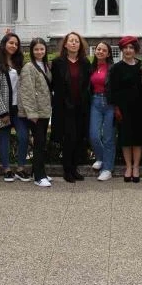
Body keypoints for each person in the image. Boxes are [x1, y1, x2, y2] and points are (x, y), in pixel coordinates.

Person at [0, 32, 30, 182]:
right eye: (11, 43)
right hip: (3, 109)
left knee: (23, 136)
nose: (13, 46)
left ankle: (20, 168)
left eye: (16, 44)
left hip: (18, 108)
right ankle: (6, 169)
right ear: (4, 44)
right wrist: (2, 112)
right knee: (4, 139)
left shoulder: (19, 63)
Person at [51, 32, 91, 183]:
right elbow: (54, 85)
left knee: (79, 138)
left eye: (76, 41)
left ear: (80, 45)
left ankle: (74, 169)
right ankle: (67, 170)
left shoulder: (85, 63)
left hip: (81, 106)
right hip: (64, 107)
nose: (74, 43)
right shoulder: (57, 63)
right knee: (68, 138)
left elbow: (87, 85)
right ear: (65, 44)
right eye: (71, 41)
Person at [107, 36, 142, 183]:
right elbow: (112, 90)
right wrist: (116, 108)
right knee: (125, 138)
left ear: (135, 50)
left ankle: (136, 167)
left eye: (131, 48)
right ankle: (128, 167)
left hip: (140, 107)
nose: (128, 50)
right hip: (123, 108)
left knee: (137, 138)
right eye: (125, 48)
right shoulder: (116, 68)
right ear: (122, 50)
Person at [19, 38, 53, 187]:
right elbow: (27, 92)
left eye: (42, 49)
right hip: (35, 113)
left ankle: (38, 171)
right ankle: (39, 177)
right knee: (39, 143)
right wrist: (31, 113)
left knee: (41, 142)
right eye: (36, 49)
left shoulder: (46, 66)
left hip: (45, 110)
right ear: (31, 51)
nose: (39, 52)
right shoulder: (29, 67)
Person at [88, 41, 115, 181]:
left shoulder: (112, 68)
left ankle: (107, 169)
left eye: (104, 50)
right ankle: (101, 158)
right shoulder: (91, 67)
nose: (100, 52)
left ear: (108, 54)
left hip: (109, 103)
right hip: (95, 101)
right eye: (98, 49)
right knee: (94, 135)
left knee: (108, 137)